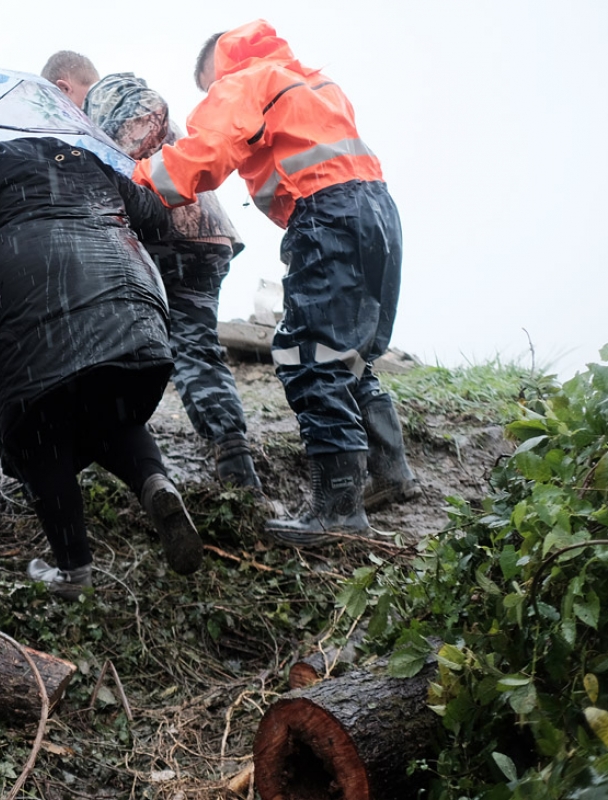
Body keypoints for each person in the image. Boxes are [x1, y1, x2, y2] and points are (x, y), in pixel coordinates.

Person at [132, 20, 421, 546]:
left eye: (206, 86)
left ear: (213, 67)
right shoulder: (310, 81)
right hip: (376, 210)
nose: (208, 95)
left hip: (326, 213)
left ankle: (336, 510)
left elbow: (209, 154)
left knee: (309, 357)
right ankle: (389, 472)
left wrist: (136, 181)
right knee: (348, 352)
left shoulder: (241, 80)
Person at [0, 135, 204, 600]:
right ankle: (155, 483)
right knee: (113, 412)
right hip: (131, 307)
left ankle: (74, 573)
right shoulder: (83, 158)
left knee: (38, 435)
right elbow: (152, 213)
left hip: (38, 309)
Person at [60, 62, 262, 491]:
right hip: (202, 236)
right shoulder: (97, 114)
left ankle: (126, 454)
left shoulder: (107, 93)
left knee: (151, 346)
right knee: (192, 347)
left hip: (176, 235)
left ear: (65, 87)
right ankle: (232, 458)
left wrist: (108, 161)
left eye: (59, 100)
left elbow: (151, 107)